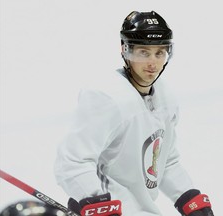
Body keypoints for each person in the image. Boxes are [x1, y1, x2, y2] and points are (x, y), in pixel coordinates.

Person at [54, 10, 214, 216]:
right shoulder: (105, 97)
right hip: (114, 209)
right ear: (125, 50)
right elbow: (72, 162)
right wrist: (94, 200)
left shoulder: (166, 97)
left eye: (159, 53)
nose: (152, 63)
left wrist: (189, 198)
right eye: (143, 53)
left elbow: (164, 162)